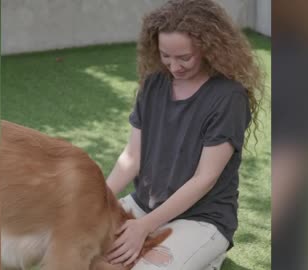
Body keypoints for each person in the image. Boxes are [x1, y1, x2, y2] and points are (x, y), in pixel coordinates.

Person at [105, 0, 264, 269]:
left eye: (184, 57)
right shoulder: (154, 83)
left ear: (208, 47)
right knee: (81, 249)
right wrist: (100, 199)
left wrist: (143, 227)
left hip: (202, 218)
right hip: (144, 205)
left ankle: (209, 254)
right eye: (166, 56)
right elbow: (131, 157)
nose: (174, 66)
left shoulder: (228, 97)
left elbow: (205, 178)